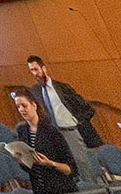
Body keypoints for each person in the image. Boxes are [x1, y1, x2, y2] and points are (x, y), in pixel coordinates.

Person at [27, 55, 102, 183]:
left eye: (36, 69)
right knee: (61, 166)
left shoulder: (62, 87)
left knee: (81, 163)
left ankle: (91, 187)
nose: (35, 74)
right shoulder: (34, 91)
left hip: (70, 130)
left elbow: (86, 107)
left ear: (44, 68)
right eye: (31, 71)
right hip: (53, 133)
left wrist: (77, 121)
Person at [13, 88, 77, 194]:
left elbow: (70, 169)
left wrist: (51, 163)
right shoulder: (22, 130)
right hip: (39, 188)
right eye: (18, 107)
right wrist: (21, 161)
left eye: (24, 106)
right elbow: (31, 168)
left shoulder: (50, 130)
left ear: (34, 105)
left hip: (61, 187)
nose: (21, 110)